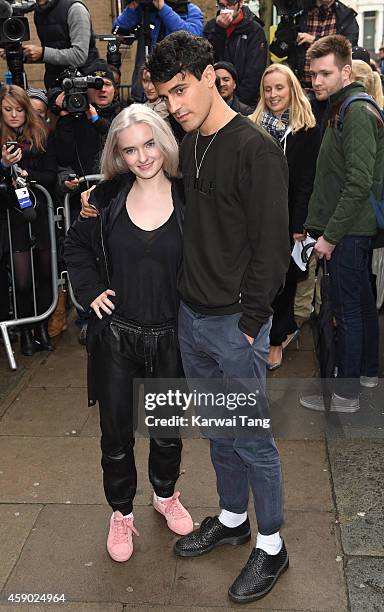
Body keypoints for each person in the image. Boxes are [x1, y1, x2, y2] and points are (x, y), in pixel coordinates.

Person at [146, 32, 291, 603]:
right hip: (193, 317)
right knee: (219, 431)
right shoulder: (191, 144)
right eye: (166, 97)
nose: (175, 105)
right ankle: (233, 519)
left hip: (235, 324)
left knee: (253, 439)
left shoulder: (255, 148)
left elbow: (272, 247)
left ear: (212, 76)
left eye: (181, 90)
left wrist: (252, 322)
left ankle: (273, 546)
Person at [64, 104, 194, 563]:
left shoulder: (189, 193)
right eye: (131, 149)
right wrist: (92, 290)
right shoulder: (104, 198)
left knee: (166, 433)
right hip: (116, 337)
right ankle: (121, 513)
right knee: (116, 436)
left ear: (165, 140)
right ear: (118, 156)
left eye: (150, 143)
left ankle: (165, 494)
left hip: (171, 336)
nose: (143, 157)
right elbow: (76, 248)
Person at [299, 35, 384, 413]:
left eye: (325, 73)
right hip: (350, 228)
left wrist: (330, 236)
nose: (317, 81)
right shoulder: (342, 107)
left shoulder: (356, 111)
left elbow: (358, 181)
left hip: (349, 230)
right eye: (313, 74)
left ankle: (346, 395)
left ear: (346, 71)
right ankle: (365, 375)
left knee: (347, 310)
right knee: (361, 305)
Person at [250, 64, 321, 370]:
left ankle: (276, 340)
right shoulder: (252, 126)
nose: (273, 94)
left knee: (284, 282)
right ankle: (258, 332)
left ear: (291, 89)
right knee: (257, 280)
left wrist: (298, 224)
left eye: (279, 87)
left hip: (289, 218)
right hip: (256, 216)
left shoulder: (307, 129)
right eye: (268, 89)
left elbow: (307, 180)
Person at [52, 59, 125, 344]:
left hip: (114, 199)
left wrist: (95, 119)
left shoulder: (119, 115)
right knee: (87, 255)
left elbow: (117, 142)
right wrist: (69, 117)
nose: (103, 89)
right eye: (98, 84)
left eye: (107, 83)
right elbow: (63, 155)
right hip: (82, 202)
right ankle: (87, 316)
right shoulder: (72, 116)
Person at [0, 85, 57, 356]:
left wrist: (25, 173)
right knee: (22, 280)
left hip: (40, 212)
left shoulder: (41, 136)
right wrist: (3, 165)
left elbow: (52, 176)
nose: (14, 115)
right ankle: (24, 331)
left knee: (45, 273)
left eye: (19, 109)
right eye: (8, 109)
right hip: (14, 217)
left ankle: (42, 328)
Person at [113, 0, 203, 102]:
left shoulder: (190, 10)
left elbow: (193, 36)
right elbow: (118, 28)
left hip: (175, 85)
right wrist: (135, 4)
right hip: (144, 89)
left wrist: (162, 8)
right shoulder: (146, 10)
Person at [272, 0, 359, 90]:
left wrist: (315, 40)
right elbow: (278, 50)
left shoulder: (346, 16)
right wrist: (287, 21)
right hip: (301, 86)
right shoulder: (299, 13)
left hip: (333, 90)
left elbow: (348, 48)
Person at [23, 0, 99, 90]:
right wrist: (23, 54)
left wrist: (42, 53)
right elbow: (53, 52)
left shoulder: (75, 9)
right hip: (55, 84)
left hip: (82, 84)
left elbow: (79, 56)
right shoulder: (39, 12)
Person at [204, 0, 267, 107]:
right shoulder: (211, 27)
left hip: (244, 103)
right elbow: (208, 59)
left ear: (240, 3)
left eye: (230, 5)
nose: (226, 10)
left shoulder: (254, 30)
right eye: (222, 6)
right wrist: (219, 30)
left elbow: (254, 72)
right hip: (214, 98)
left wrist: (238, 104)